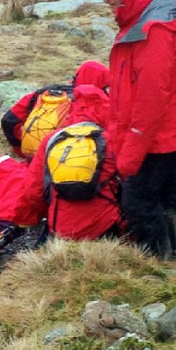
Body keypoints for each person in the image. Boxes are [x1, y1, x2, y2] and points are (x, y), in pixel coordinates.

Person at [96, 0, 176, 259]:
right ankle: (174, 258)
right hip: (162, 135)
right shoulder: (144, 18)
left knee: (138, 204)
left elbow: (150, 103)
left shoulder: (155, 31)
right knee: (164, 197)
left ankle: (158, 265)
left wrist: (129, 154)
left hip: (158, 138)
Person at [13, 83, 121, 241]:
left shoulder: (52, 140)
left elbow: (33, 190)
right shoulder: (112, 140)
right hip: (104, 228)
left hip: (61, 229)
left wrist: (25, 219)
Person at [1, 60, 110, 159]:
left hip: (33, 159)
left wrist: (22, 150)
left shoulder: (46, 93)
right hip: (68, 166)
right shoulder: (99, 104)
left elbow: (9, 120)